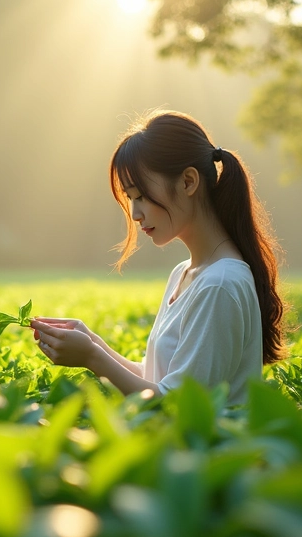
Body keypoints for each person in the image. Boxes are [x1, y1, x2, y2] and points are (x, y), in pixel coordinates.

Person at [29, 111, 286, 405]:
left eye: (139, 196)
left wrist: (91, 357)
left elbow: (178, 406)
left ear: (188, 182)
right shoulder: (185, 273)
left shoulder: (220, 284)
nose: (136, 214)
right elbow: (157, 381)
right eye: (131, 199)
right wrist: (92, 343)